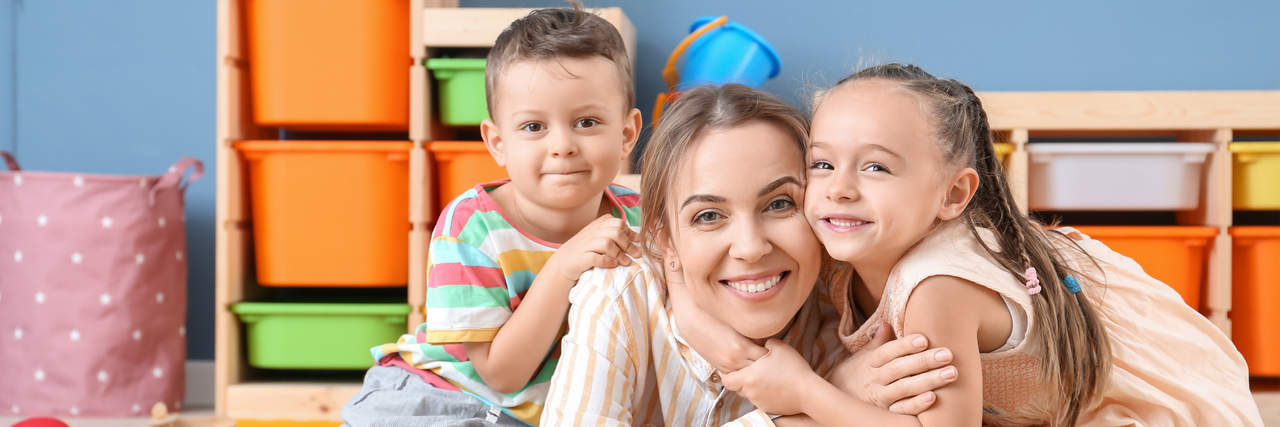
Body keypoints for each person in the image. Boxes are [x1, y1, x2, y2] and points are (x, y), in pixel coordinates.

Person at [719, 63, 1264, 427]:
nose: (839, 186)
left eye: (877, 166)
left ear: (953, 194)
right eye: (822, 162)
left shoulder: (938, 286)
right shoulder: (843, 240)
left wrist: (807, 394)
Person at [542, 83, 960, 427]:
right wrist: (824, 398)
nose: (750, 247)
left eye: (779, 204)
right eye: (708, 215)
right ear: (664, 239)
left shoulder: (853, 318)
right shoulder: (619, 292)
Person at [340, 4, 644, 426]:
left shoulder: (641, 219)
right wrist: (564, 266)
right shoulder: (471, 226)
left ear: (626, 134)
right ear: (498, 143)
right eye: (534, 127)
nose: (562, 145)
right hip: (442, 397)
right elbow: (501, 375)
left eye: (587, 122)